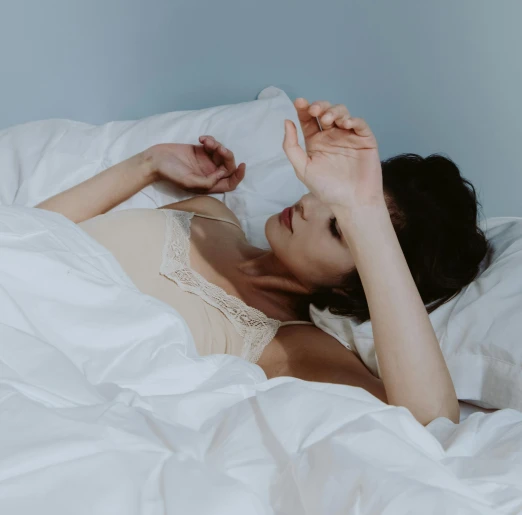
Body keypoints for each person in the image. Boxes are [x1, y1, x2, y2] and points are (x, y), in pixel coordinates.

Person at [35, 98, 488, 426]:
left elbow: (429, 421)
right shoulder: (210, 214)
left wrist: (364, 213)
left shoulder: (294, 349)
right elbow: (32, 237)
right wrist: (148, 165)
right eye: (327, 195)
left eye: (338, 228)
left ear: (359, 281)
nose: (310, 205)